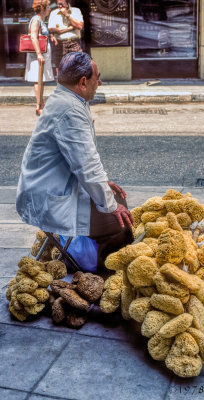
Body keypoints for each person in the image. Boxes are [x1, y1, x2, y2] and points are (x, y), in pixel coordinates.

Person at [16, 52, 134, 270]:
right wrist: (110, 206)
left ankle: (86, 255)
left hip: (51, 188)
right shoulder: (69, 109)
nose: (99, 83)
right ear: (83, 82)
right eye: (97, 77)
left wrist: (106, 192)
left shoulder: (66, 99)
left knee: (117, 200)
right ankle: (95, 271)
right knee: (121, 225)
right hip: (47, 198)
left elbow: (82, 161)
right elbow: (86, 166)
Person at [25, 0, 56, 116]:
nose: (49, 9)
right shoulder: (36, 20)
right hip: (37, 54)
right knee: (38, 80)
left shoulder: (41, 20)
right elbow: (33, 36)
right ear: (42, 8)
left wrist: (51, 36)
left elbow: (42, 34)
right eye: (48, 7)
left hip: (42, 54)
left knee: (41, 80)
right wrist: (38, 53)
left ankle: (41, 103)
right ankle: (39, 105)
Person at [48, 0, 84, 76]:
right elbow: (51, 29)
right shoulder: (54, 13)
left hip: (74, 42)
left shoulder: (76, 11)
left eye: (61, 4)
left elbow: (79, 26)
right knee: (60, 68)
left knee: (76, 67)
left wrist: (67, 14)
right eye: (58, 4)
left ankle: (74, 87)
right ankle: (61, 87)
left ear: (67, 3)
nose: (60, 6)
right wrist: (70, 28)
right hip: (60, 43)